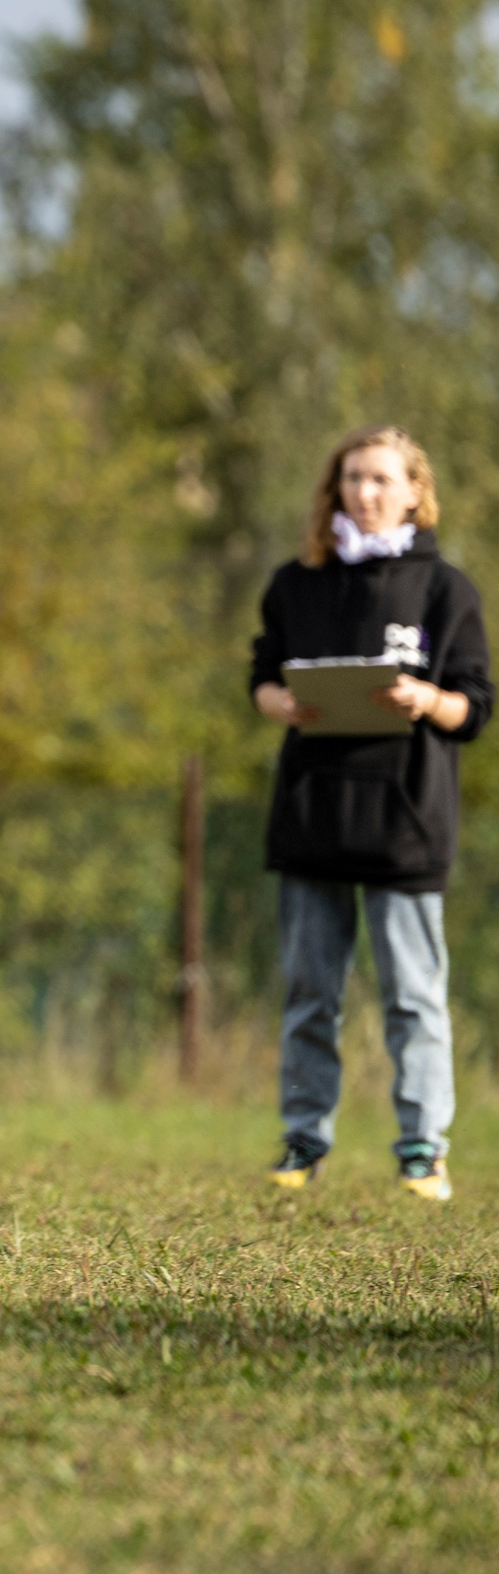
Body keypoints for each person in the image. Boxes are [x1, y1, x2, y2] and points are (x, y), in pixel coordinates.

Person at [251, 426, 491, 1201]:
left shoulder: (445, 589)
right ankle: (302, 1141)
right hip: (314, 815)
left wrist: (426, 698)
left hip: (405, 823)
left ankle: (423, 1148)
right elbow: (261, 674)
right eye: (352, 478)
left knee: (413, 997)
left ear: (415, 491)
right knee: (309, 992)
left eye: (382, 478)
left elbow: (475, 707)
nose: (365, 491)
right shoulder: (297, 582)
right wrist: (278, 700)